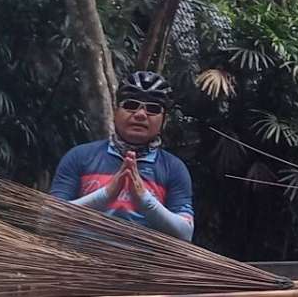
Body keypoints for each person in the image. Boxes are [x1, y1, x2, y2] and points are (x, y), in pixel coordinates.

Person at [50, 71, 194, 241]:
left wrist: (144, 200)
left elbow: (185, 234)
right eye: (131, 105)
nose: (140, 115)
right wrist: (105, 195)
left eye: (153, 109)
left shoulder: (174, 169)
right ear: (115, 110)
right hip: (76, 257)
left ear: (165, 120)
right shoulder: (79, 157)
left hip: (142, 259)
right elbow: (49, 220)